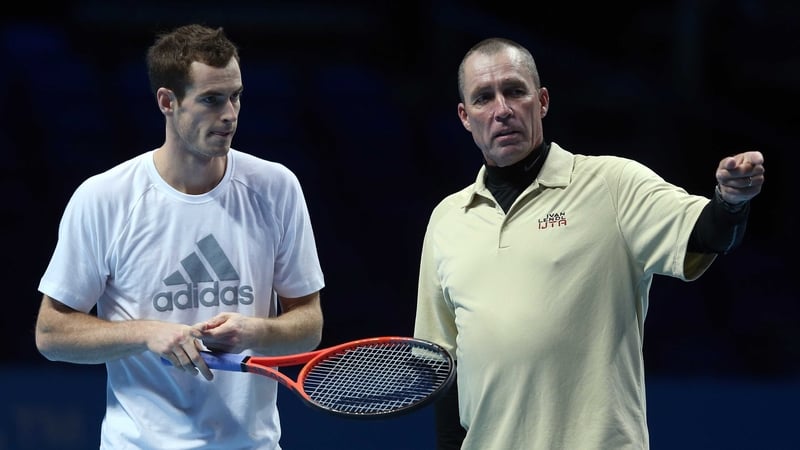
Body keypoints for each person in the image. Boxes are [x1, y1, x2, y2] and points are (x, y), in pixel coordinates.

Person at [413, 37, 765, 449]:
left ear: (542, 101)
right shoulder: (447, 220)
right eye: (483, 98)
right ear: (465, 116)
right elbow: (446, 367)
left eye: (514, 91)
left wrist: (731, 201)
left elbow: (708, 232)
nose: (502, 109)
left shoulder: (613, 185)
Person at [35, 24, 325, 450]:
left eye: (236, 96)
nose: (229, 114)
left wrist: (255, 330)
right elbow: (51, 334)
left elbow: (309, 325)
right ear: (167, 102)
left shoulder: (276, 188)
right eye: (211, 99)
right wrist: (145, 333)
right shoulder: (105, 198)